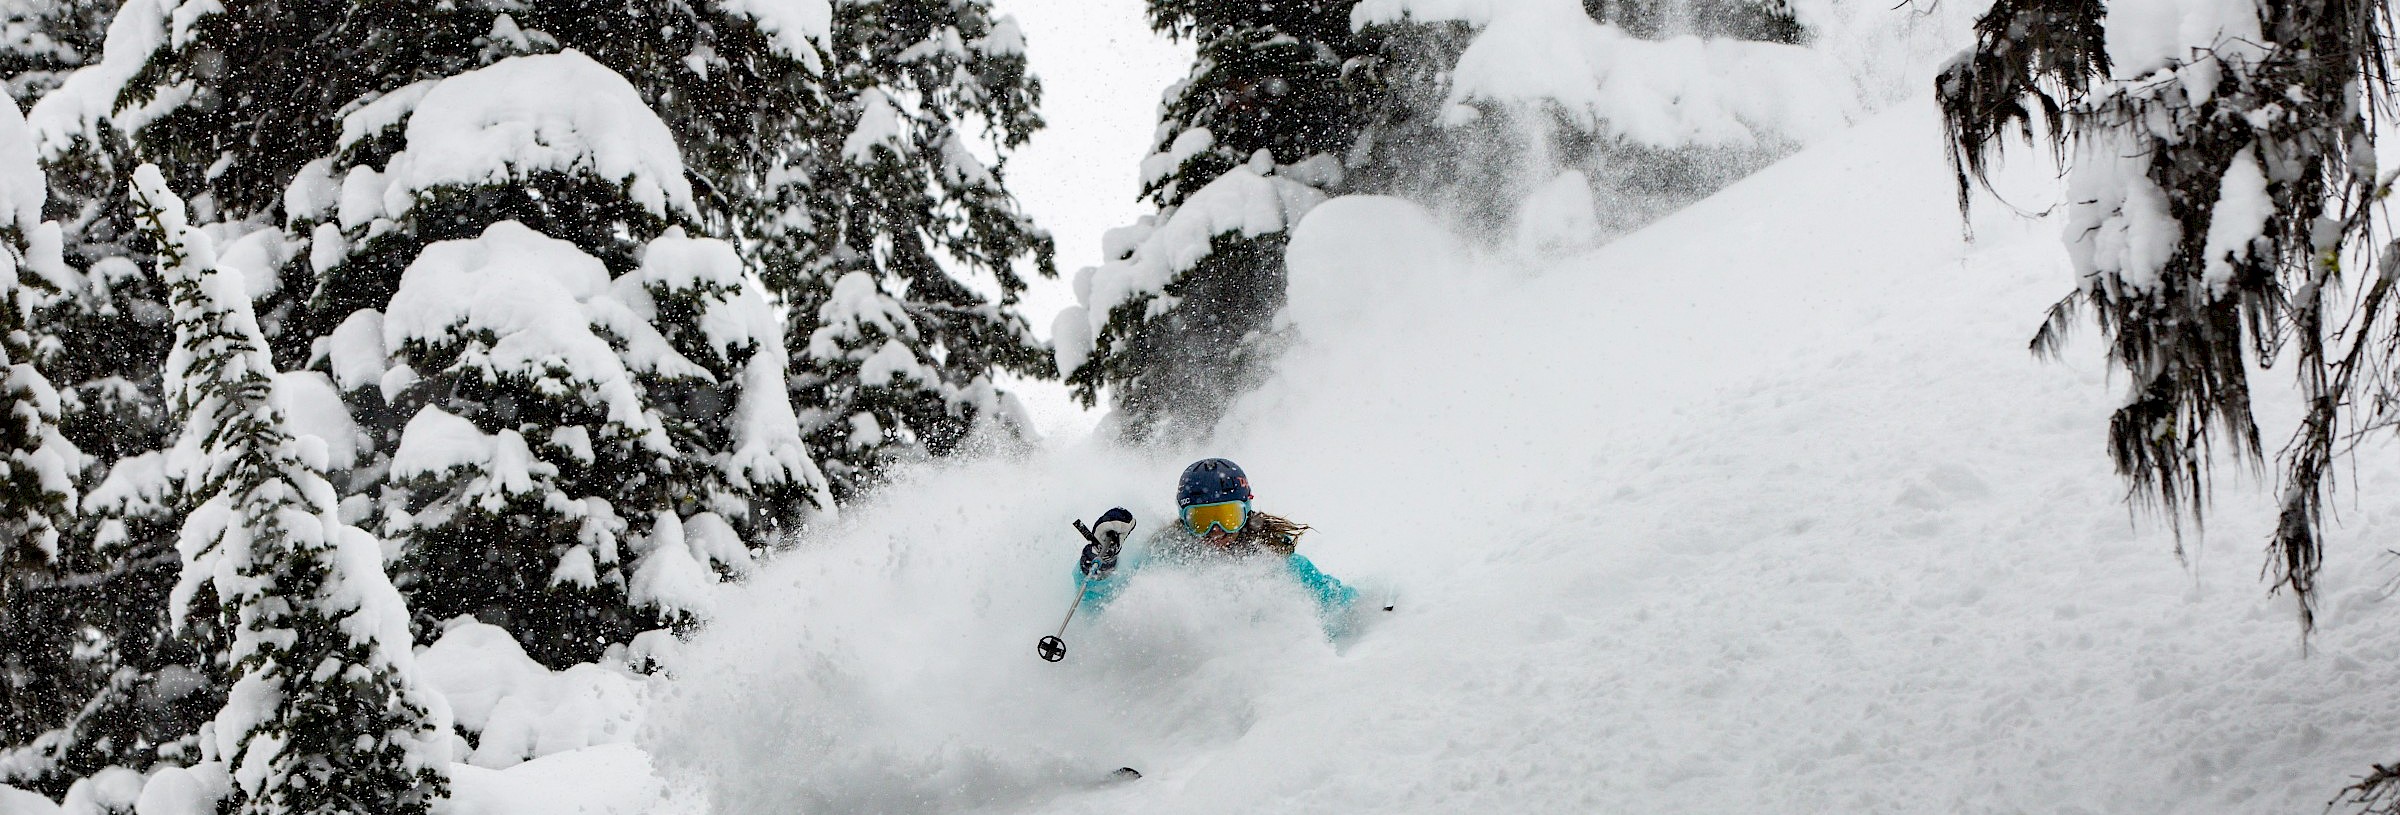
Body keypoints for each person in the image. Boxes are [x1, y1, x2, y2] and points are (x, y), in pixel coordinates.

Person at [1074, 458, 1358, 634]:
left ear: (1246, 513)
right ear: (1183, 520)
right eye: (1202, 520)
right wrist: (1100, 563)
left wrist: (1375, 612)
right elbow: (1099, 611)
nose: (1216, 532)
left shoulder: (1274, 561)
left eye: (1227, 517)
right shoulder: (1163, 558)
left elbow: (1337, 604)